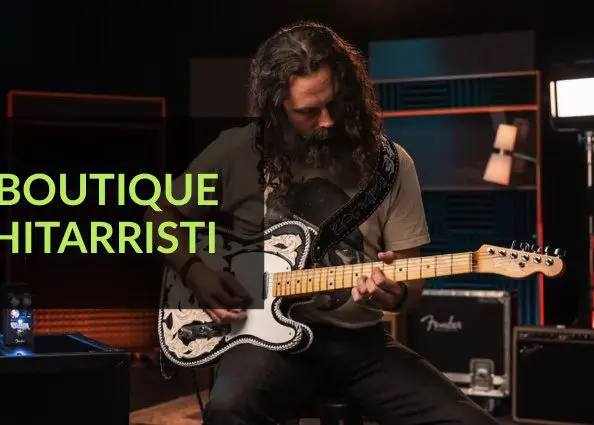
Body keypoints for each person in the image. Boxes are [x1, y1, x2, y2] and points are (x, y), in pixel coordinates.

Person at [144, 21, 499, 425]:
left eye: (334, 103)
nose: (327, 121)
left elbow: (409, 278)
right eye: (308, 112)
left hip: (359, 345)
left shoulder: (391, 164)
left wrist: (395, 294)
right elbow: (157, 215)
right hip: (262, 346)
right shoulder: (237, 151)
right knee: (228, 410)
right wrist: (195, 271)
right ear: (276, 109)